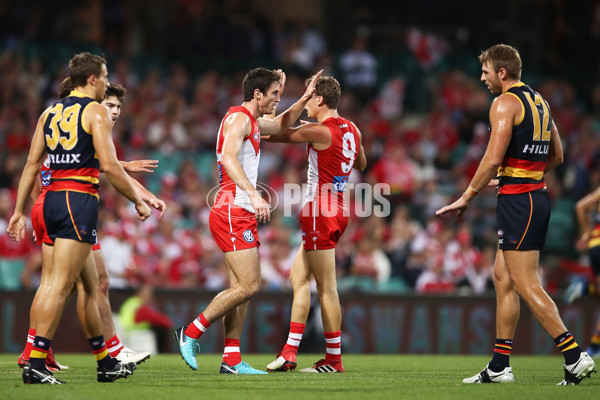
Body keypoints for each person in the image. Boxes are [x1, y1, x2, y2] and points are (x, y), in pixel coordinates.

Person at [436, 44, 596, 385]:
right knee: (502, 279)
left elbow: (492, 158)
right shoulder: (540, 101)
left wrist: (467, 196)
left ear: (502, 72)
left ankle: (574, 355)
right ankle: (499, 366)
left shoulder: (504, 102)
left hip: (519, 203)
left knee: (525, 283)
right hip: (533, 196)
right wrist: (522, 172)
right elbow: (557, 156)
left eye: (486, 72)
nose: (483, 78)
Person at [7, 52, 151, 384]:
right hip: (78, 199)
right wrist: (137, 201)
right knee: (60, 285)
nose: (105, 83)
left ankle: (105, 362)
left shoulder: (49, 113)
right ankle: (37, 362)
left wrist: (18, 211)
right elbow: (110, 165)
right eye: (103, 77)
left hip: (51, 198)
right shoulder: (95, 111)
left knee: (88, 284)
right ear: (91, 80)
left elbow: (31, 164)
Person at [174, 67, 322, 374]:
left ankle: (231, 359)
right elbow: (228, 157)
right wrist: (254, 195)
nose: (277, 101)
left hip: (237, 209)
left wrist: (303, 98)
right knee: (250, 285)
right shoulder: (240, 119)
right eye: (273, 95)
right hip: (233, 208)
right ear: (257, 94)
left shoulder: (250, 120)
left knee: (239, 287)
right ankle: (190, 332)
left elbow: (282, 124)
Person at [263, 75, 366, 373]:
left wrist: (274, 102)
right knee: (298, 280)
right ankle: (289, 352)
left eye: (308, 97)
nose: (306, 102)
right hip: (337, 207)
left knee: (327, 289)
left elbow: (270, 133)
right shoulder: (353, 128)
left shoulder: (319, 131)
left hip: (320, 209)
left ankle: (334, 361)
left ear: (319, 99)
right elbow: (361, 163)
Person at [574, 186, 600, 358]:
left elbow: (581, 206)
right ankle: (594, 346)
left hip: (595, 246)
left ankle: (588, 289)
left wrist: (587, 233)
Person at [119, 285, 173, 354]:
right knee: (161, 329)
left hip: (124, 330)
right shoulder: (139, 305)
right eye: (148, 295)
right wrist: (169, 324)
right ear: (140, 294)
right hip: (133, 330)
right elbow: (158, 319)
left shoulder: (131, 302)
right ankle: (161, 352)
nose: (150, 298)